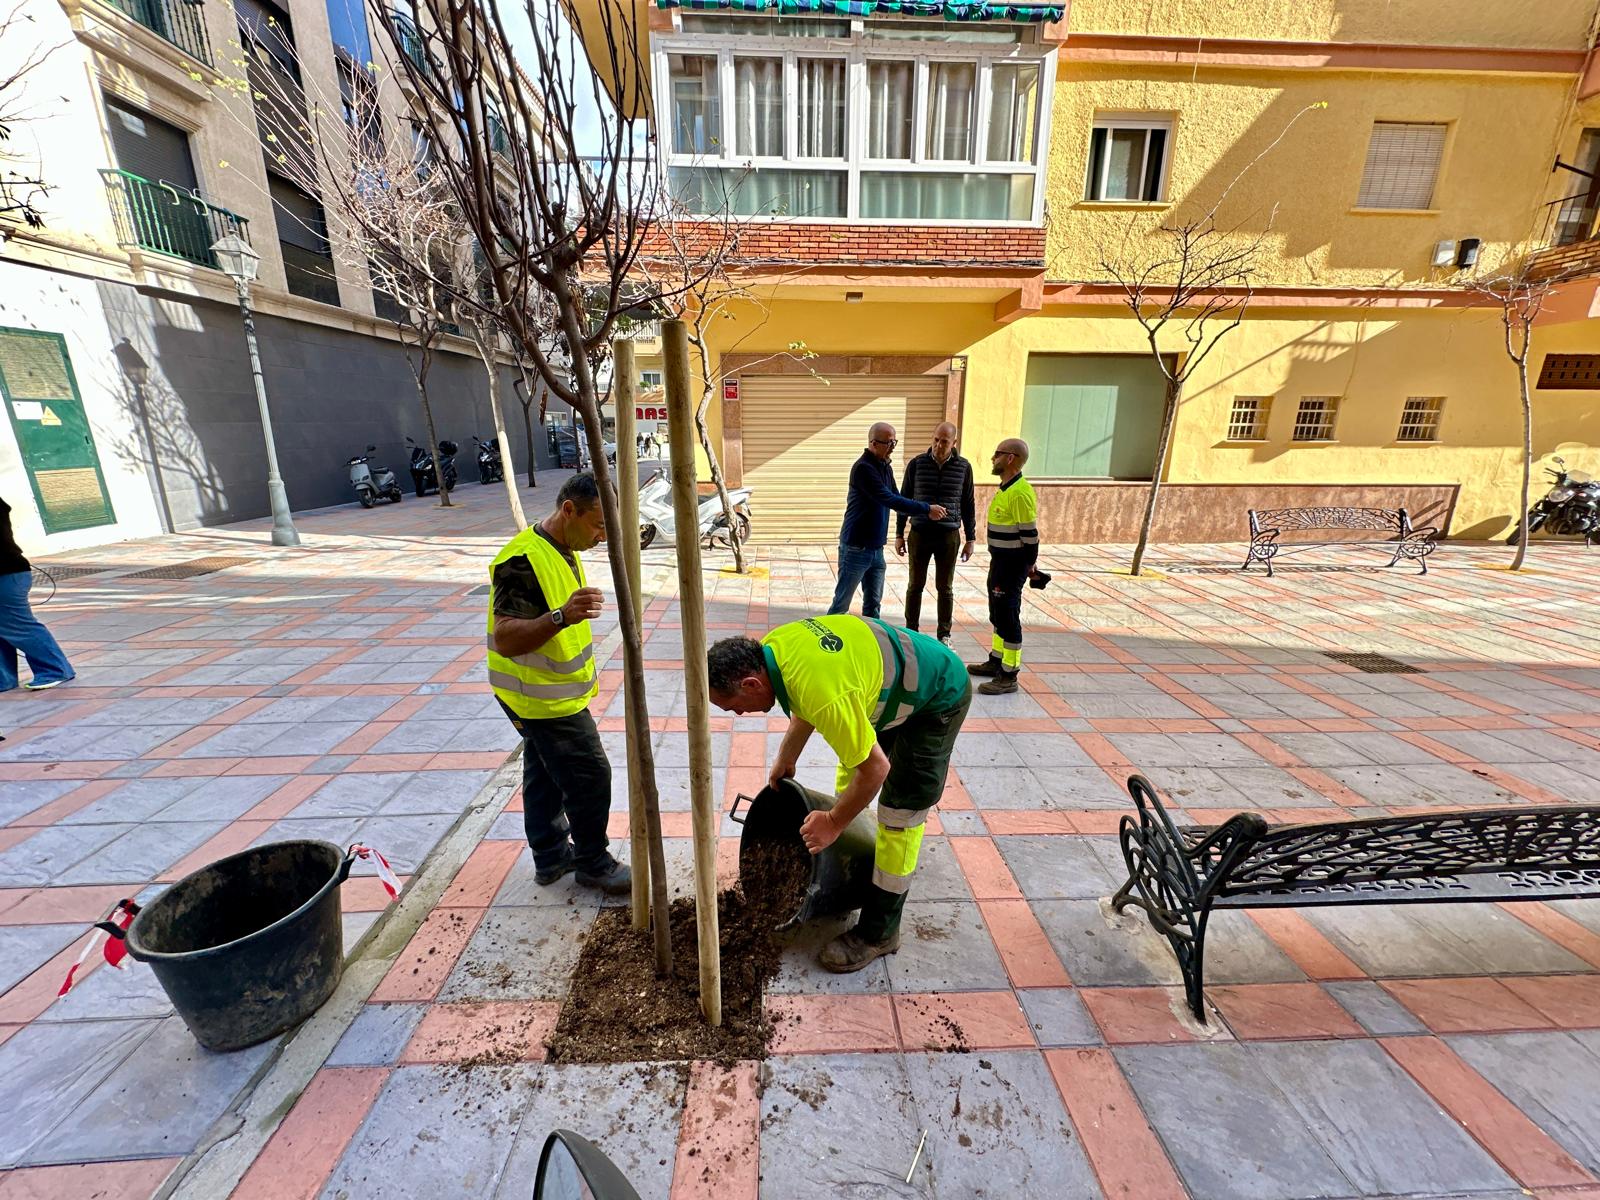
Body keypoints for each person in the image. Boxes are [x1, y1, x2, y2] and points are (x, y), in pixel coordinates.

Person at [707, 614, 971, 971]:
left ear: (751, 683)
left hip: (939, 694)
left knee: (900, 814)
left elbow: (876, 769)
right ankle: (856, 863)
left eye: (733, 705)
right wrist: (787, 755)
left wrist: (833, 822)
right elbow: (805, 699)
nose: (738, 713)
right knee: (850, 775)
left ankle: (880, 932)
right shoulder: (774, 649)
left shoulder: (822, 690)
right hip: (892, 686)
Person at [486, 473, 630, 895]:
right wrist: (561, 616)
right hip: (539, 698)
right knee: (590, 775)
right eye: (599, 525)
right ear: (569, 510)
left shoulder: (562, 546)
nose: (603, 536)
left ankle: (550, 858)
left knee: (545, 771)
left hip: (544, 691)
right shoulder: (522, 560)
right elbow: (506, 638)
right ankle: (593, 862)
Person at [829, 422, 947, 620]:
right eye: (889, 443)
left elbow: (897, 497)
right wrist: (927, 509)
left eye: (894, 442)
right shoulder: (863, 469)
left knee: (873, 605)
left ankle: (871, 637)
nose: (893, 447)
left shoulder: (885, 467)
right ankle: (825, 637)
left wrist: (917, 516)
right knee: (841, 604)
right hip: (856, 548)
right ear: (874, 443)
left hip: (876, 549)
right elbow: (889, 499)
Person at [968, 438, 1040, 696]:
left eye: (997, 454)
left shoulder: (1020, 493)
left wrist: (1029, 565)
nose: (992, 458)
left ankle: (1009, 675)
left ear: (1010, 458)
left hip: (1012, 565)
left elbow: (1030, 536)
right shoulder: (1007, 488)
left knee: (1008, 618)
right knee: (997, 614)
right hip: (999, 562)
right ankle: (996, 661)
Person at [894, 421, 975, 645]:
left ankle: (944, 635)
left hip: (948, 536)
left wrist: (971, 538)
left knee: (945, 587)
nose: (939, 445)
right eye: (936, 440)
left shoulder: (964, 467)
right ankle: (911, 632)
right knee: (915, 585)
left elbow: (968, 503)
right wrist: (899, 534)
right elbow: (904, 499)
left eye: (944, 442)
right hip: (919, 533)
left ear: (954, 443)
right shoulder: (917, 464)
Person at [0, 497, 74, 693]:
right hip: (9, 573)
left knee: (18, 625)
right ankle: (4, 679)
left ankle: (55, 670)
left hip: (6, 574)